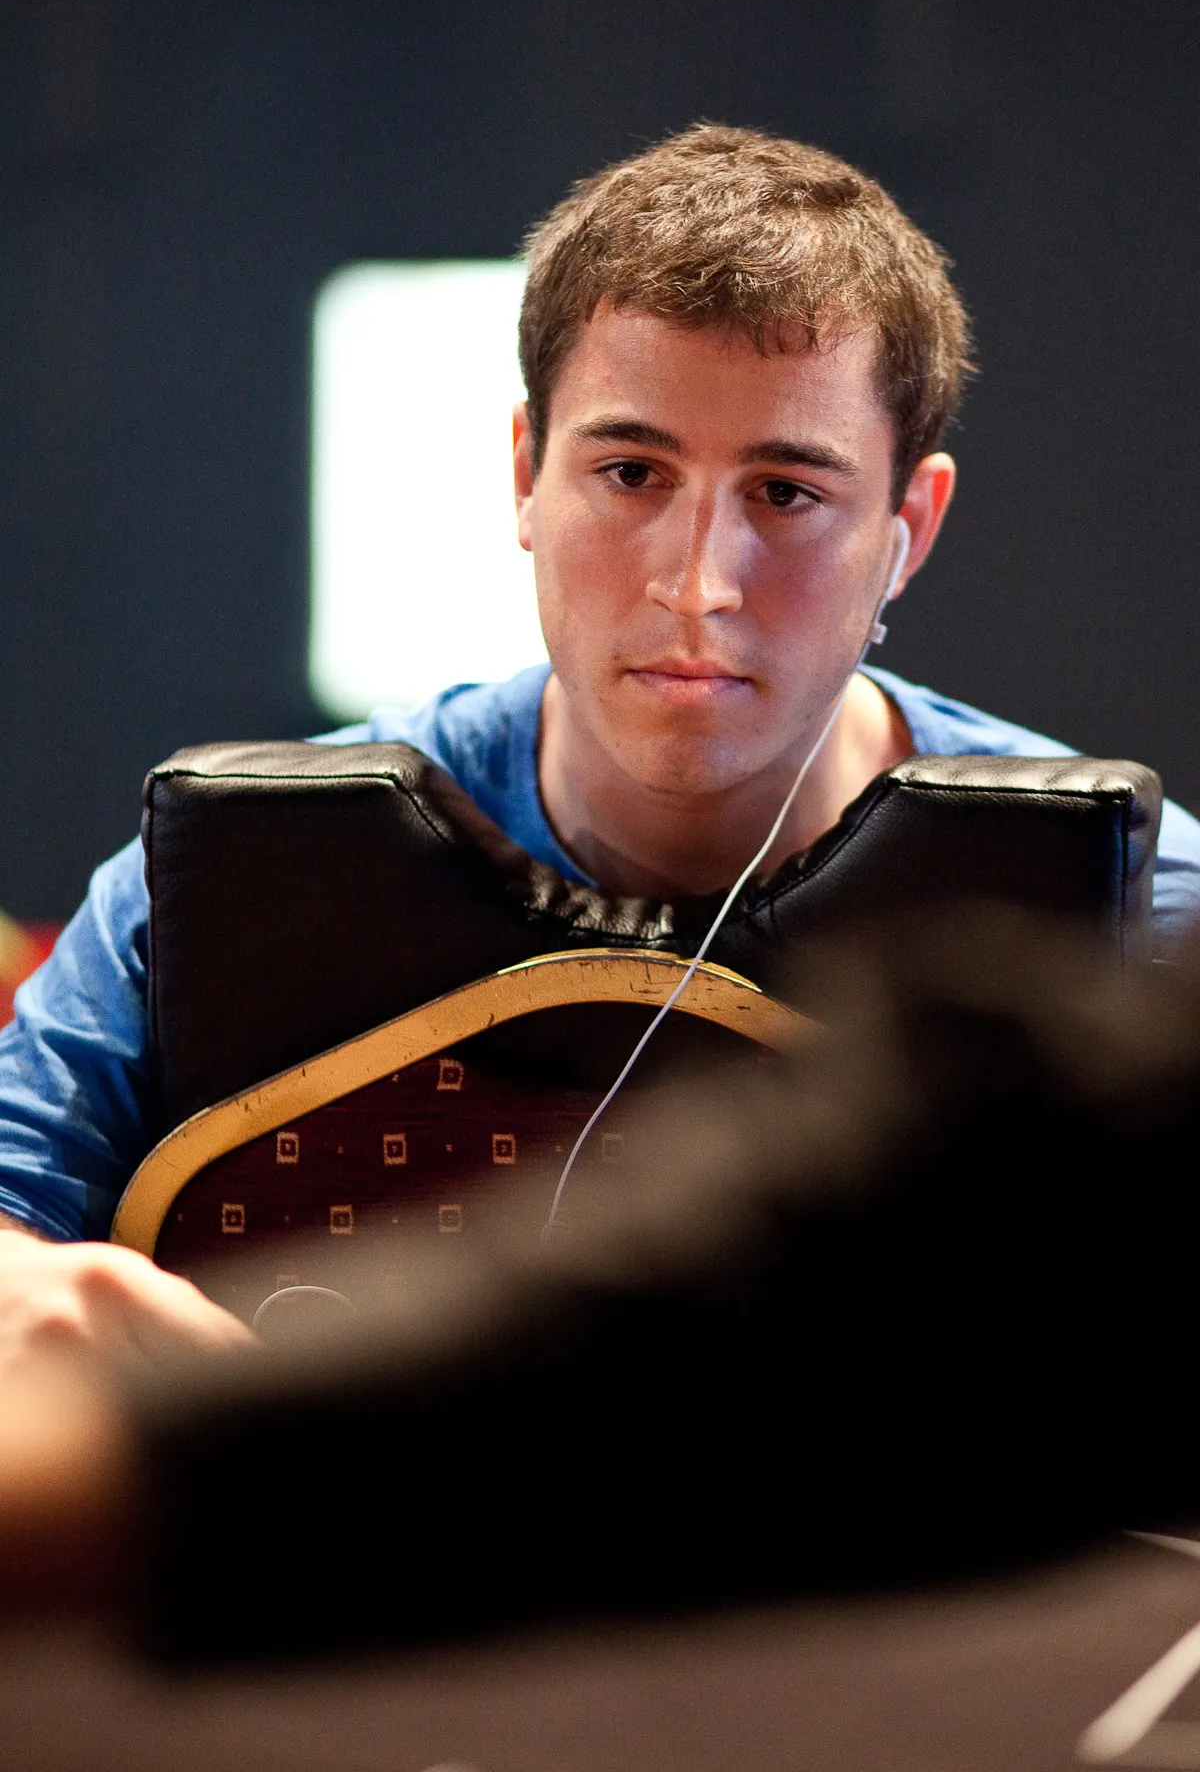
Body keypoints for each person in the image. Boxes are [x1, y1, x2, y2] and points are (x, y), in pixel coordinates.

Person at [0, 123, 1198, 1367]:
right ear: (526, 472)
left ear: (909, 530)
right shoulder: (226, 883)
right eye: (632, 473)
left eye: (788, 494)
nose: (699, 585)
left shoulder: (1136, 915)